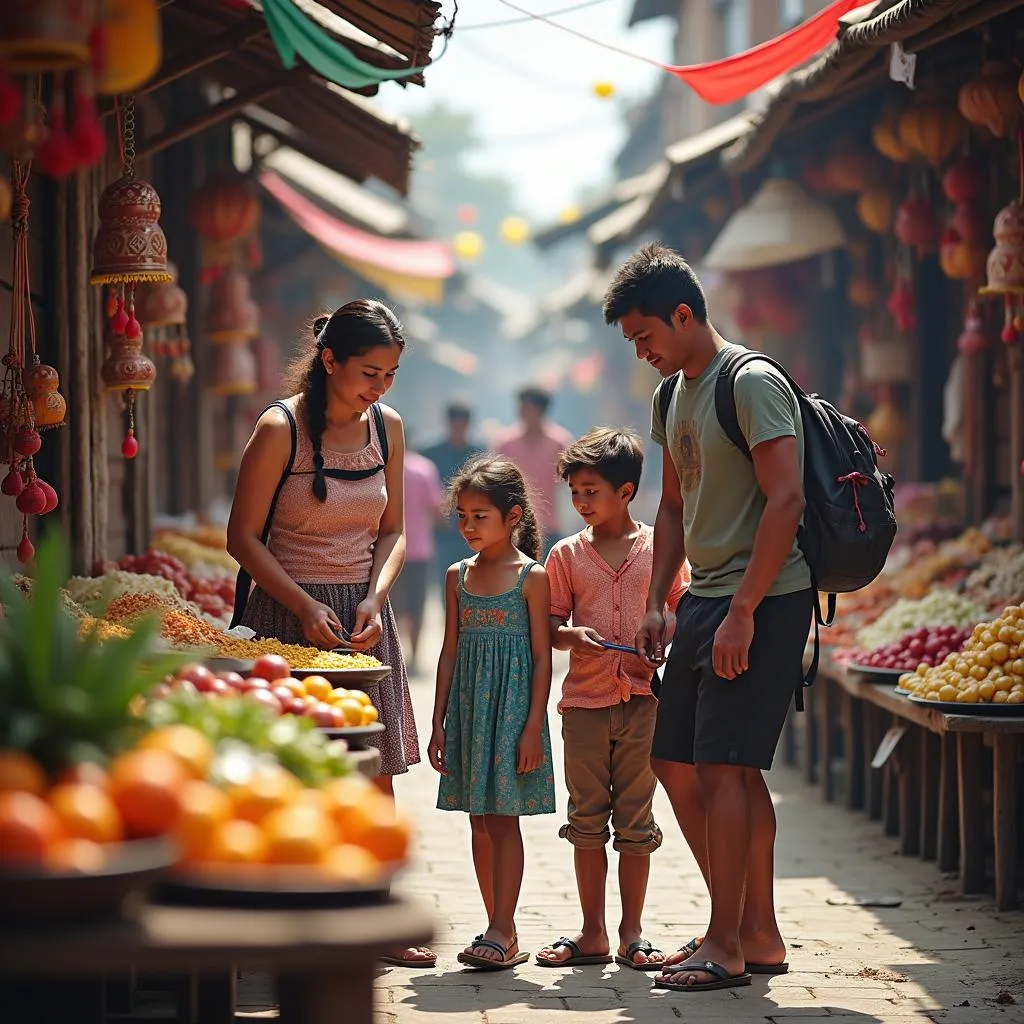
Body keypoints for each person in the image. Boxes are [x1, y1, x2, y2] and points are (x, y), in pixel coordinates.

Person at [604, 244, 813, 993]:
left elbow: (784, 500)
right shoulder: (670, 396)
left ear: (684, 313)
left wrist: (746, 611)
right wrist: (661, 597)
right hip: (703, 599)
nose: (642, 350)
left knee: (729, 768)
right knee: (676, 762)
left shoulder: (749, 382)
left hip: (764, 598)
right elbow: (670, 505)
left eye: (645, 335)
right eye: (631, 342)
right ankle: (752, 927)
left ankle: (727, 943)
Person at [226, 299, 434, 968]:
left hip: (364, 620)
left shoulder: (389, 429)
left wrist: (376, 595)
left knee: (371, 768)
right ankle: (275, 916)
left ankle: (377, 913)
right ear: (330, 361)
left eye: (392, 375)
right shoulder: (279, 428)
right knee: (286, 767)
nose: (380, 388)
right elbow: (242, 538)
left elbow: (394, 529)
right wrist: (301, 605)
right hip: (287, 620)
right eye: (370, 372)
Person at [536, 428, 689, 973]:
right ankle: (593, 930)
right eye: (574, 493)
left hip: (644, 700)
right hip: (583, 704)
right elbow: (550, 625)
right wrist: (571, 636)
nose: (580, 504)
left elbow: (679, 605)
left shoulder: (660, 548)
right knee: (585, 818)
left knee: (636, 820)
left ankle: (632, 932)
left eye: (590, 492)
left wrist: (664, 629)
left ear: (626, 492)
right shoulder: (565, 554)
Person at [427, 455, 556, 971]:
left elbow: (544, 656)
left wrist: (531, 729)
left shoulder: (532, 576)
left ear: (514, 516)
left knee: (505, 820)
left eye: (481, 515)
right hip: (468, 712)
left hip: (512, 713)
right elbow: (449, 652)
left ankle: (504, 926)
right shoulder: (457, 576)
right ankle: (496, 923)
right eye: (462, 515)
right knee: (478, 819)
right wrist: (437, 720)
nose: (468, 526)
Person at [494, 386, 574, 555]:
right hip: (513, 526)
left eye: (527, 406)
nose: (522, 411)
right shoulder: (505, 442)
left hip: (549, 525)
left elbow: (571, 482)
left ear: (541, 410)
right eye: (521, 406)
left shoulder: (559, 442)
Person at [391, 445, 444, 670]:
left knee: (392, 605)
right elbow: (436, 508)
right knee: (417, 605)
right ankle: (413, 656)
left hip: (389, 549)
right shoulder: (424, 468)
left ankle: (395, 654)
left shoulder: (384, 466)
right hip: (420, 549)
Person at [421, 402, 485, 581]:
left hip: (474, 526)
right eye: (455, 422)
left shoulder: (479, 452)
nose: (458, 427)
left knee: (474, 580)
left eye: (462, 423)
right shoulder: (430, 452)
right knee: (447, 579)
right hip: (442, 529)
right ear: (448, 422)